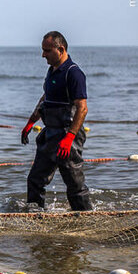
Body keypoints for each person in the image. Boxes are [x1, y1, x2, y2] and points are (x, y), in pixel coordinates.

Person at [21, 31, 92, 211]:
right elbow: (46, 98)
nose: (43, 55)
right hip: (50, 133)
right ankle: (35, 216)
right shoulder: (52, 71)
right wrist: (31, 122)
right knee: (35, 180)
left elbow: (82, 108)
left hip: (68, 135)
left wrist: (69, 139)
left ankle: (86, 219)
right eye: (43, 50)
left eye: (47, 50)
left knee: (74, 185)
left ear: (60, 49)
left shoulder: (74, 73)